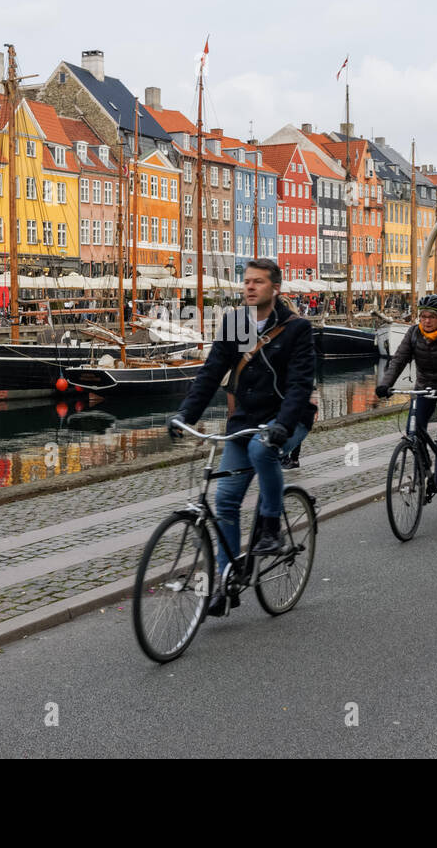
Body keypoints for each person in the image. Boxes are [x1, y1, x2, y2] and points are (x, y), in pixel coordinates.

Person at [172, 259, 316, 617]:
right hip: (244, 420)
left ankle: (270, 527)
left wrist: (282, 425)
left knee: (262, 447)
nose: (250, 287)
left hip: (287, 419)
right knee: (225, 501)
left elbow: (300, 385)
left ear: (275, 288)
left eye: (258, 282)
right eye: (247, 281)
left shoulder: (296, 329)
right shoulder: (235, 323)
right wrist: (184, 415)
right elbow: (210, 375)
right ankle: (226, 581)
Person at [375, 294, 437, 500]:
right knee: (413, 431)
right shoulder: (413, 333)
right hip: (424, 386)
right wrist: (384, 384)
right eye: (423, 316)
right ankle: (425, 472)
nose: (426, 320)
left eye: (431, 317)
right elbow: (398, 361)